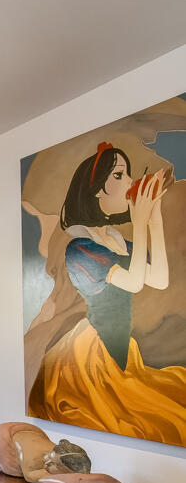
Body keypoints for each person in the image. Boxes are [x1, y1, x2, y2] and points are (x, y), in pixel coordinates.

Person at [29, 141, 186, 441]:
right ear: (97, 190)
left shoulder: (117, 242)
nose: (129, 183)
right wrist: (140, 221)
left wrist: (154, 220)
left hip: (122, 350)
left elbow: (160, 279)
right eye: (119, 175)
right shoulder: (80, 247)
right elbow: (134, 282)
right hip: (92, 353)